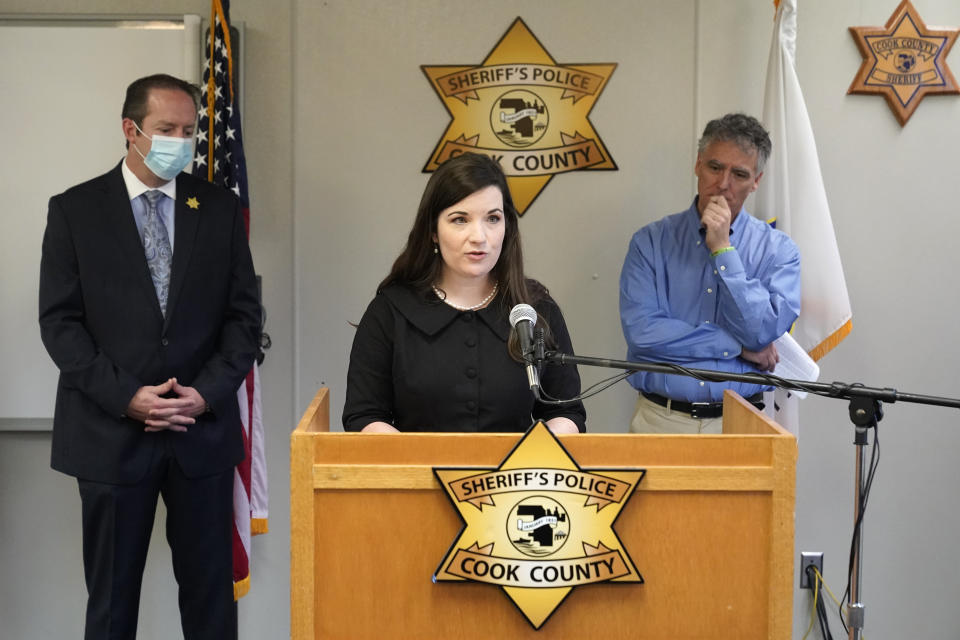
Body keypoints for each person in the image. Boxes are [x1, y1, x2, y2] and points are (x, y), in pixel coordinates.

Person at [38, 74, 260, 640]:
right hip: (110, 438)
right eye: (167, 129)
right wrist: (127, 397)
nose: (180, 142)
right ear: (130, 130)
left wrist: (204, 393)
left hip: (201, 434)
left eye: (189, 131)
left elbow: (243, 320)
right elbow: (60, 325)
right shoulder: (75, 210)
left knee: (211, 604)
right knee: (111, 604)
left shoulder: (218, 209)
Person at [343, 152, 585, 434]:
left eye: (493, 219)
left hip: (515, 476)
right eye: (460, 220)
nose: (479, 237)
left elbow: (565, 411)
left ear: (507, 227)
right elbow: (364, 415)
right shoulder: (389, 311)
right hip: (416, 475)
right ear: (433, 230)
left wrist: (531, 456)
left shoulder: (536, 309)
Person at [619, 113, 800, 434]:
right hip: (661, 420)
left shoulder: (778, 250)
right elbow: (643, 334)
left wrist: (723, 251)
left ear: (756, 181)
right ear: (698, 164)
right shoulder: (650, 242)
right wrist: (737, 348)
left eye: (740, 174)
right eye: (715, 167)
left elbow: (762, 332)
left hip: (744, 421)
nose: (723, 184)